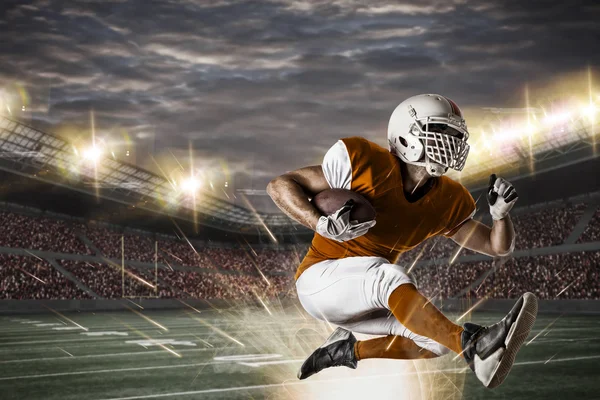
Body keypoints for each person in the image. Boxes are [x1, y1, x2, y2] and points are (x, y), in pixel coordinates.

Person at [267, 94, 537, 389]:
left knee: (435, 342)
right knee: (386, 276)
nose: (452, 142)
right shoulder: (367, 163)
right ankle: (475, 347)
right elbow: (280, 185)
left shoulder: (447, 199)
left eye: (456, 135)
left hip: (364, 295)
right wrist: (319, 223)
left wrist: (500, 216)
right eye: (440, 131)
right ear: (406, 136)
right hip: (319, 281)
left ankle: (344, 350)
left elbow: (497, 247)